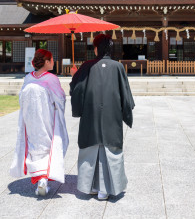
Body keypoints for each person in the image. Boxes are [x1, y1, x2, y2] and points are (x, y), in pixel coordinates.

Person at [70, 34, 134, 200]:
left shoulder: (86, 66)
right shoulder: (118, 67)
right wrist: (126, 112)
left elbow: (77, 90)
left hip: (90, 117)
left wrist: (74, 76)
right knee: (110, 149)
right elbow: (126, 95)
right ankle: (105, 189)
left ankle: (89, 186)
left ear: (97, 48)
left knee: (91, 149)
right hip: (111, 117)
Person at [10, 49, 69, 196]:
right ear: (47, 62)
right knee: (49, 145)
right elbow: (60, 99)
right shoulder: (51, 79)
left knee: (34, 146)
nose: (54, 62)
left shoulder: (28, 78)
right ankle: (44, 179)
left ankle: (40, 178)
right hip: (47, 117)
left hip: (30, 119)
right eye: (52, 60)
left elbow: (21, 98)